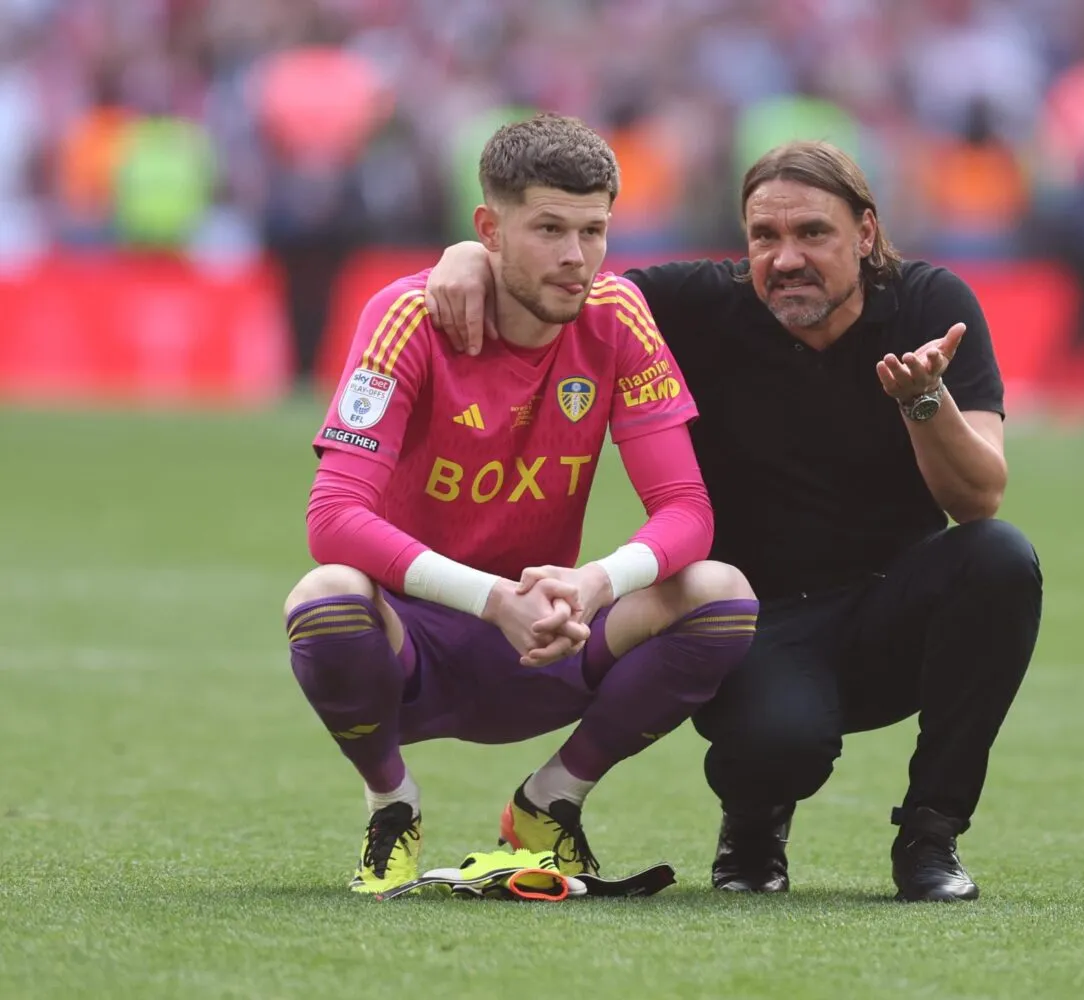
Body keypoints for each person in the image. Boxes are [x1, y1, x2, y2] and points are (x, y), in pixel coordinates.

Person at [424, 140, 1043, 903]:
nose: (786, 258)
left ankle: (930, 835)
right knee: (776, 746)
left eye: (812, 233)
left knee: (1000, 558)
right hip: (755, 618)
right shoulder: (694, 305)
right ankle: (753, 821)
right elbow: (563, 283)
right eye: (764, 236)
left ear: (866, 233)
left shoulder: (929, 306)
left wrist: (922, 400)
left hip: (892, 612)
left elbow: (977, 500)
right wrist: (468, 256)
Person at [283, 113, 758, 896]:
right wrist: (492, 598)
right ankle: (391, 804)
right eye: (548, 229)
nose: (576, 257)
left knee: (721, 591)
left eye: (593, 231)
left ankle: (551, 801)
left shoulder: (616, 316)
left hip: (547, 634)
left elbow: (687, 510)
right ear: (489, 231)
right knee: (324, 596)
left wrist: (594, 583)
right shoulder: (407, 317)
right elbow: (331, 518)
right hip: (413, 646)